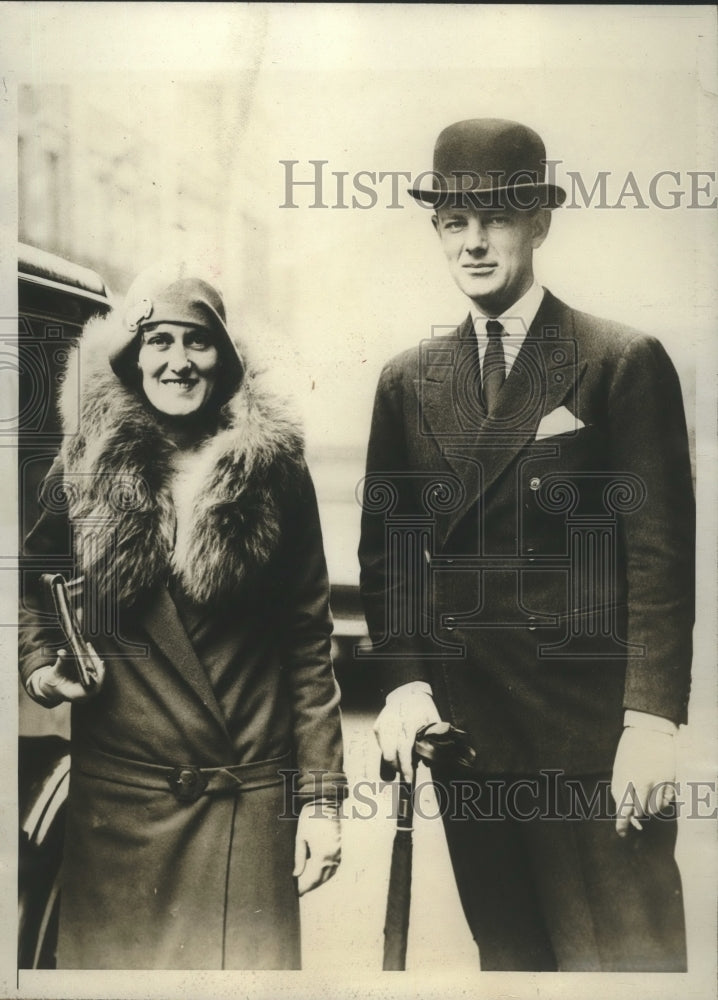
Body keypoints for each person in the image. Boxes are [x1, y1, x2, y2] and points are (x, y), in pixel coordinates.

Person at [359, 119, 694, 971]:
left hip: (593, 749)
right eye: (453, 222)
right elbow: (391, 555)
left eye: (496, 218)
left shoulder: (618, 360)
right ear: (436, 231)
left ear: (539, 224)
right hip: (472, 744)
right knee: (511, 970)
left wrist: (651, 722)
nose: (474, 242)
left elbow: (659, 556)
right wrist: (403, 684)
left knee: (626, 969)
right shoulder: (407, 381)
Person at [19, 261, 346, 969]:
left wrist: (321, 802)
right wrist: (44, 665)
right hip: (120, 808)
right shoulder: (84, 465)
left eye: (196, 342)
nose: (177, 361)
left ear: (223, 359)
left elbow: (307, 642)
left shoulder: (274, 472)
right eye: (158, 341)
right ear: (133, 358)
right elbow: (29, 584)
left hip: (244, 801)